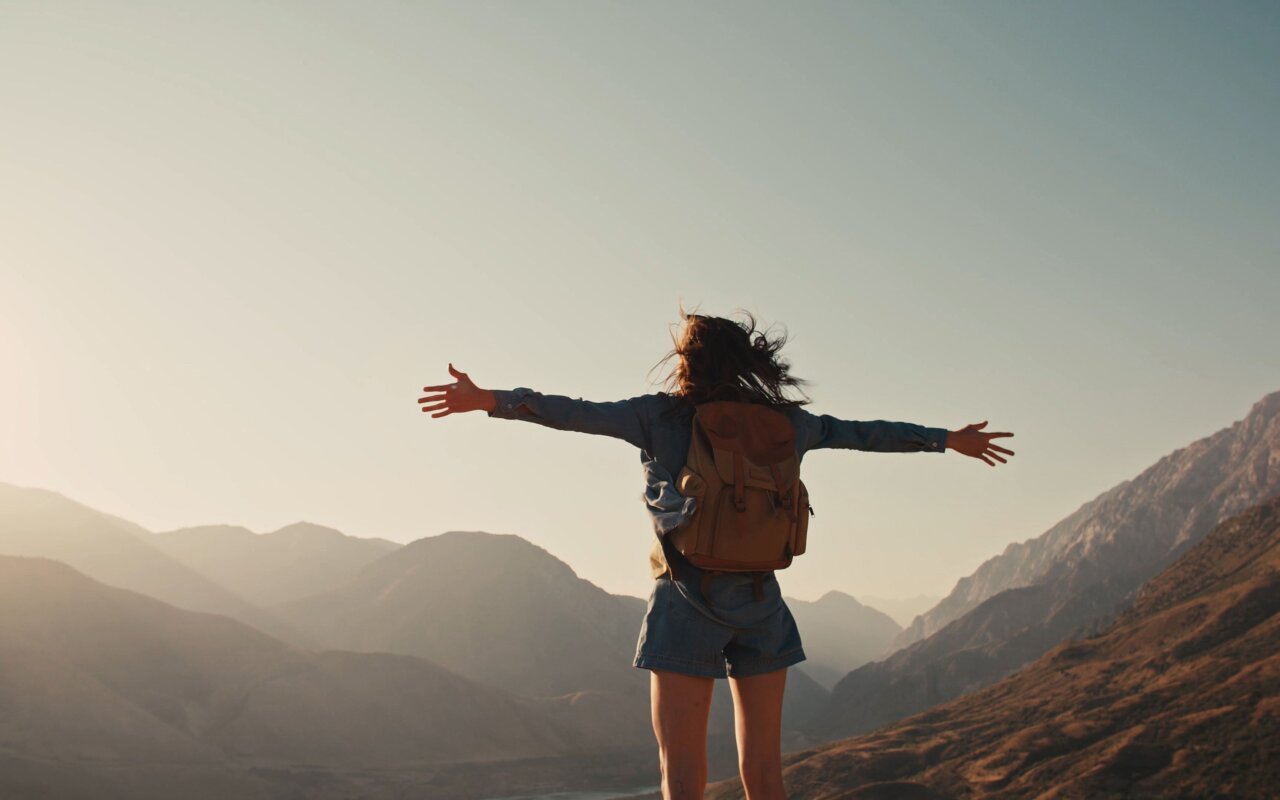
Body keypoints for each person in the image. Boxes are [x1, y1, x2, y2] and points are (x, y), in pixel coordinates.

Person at [417, 310, 1014, 800]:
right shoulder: (789, 424)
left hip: (684, 603)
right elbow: (862, 432)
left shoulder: (660, 417)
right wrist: (944, 440)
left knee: (683, 776)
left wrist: (490, 399)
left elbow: (573, 412)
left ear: (689, 363)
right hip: (762, 606)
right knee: (765, 775)